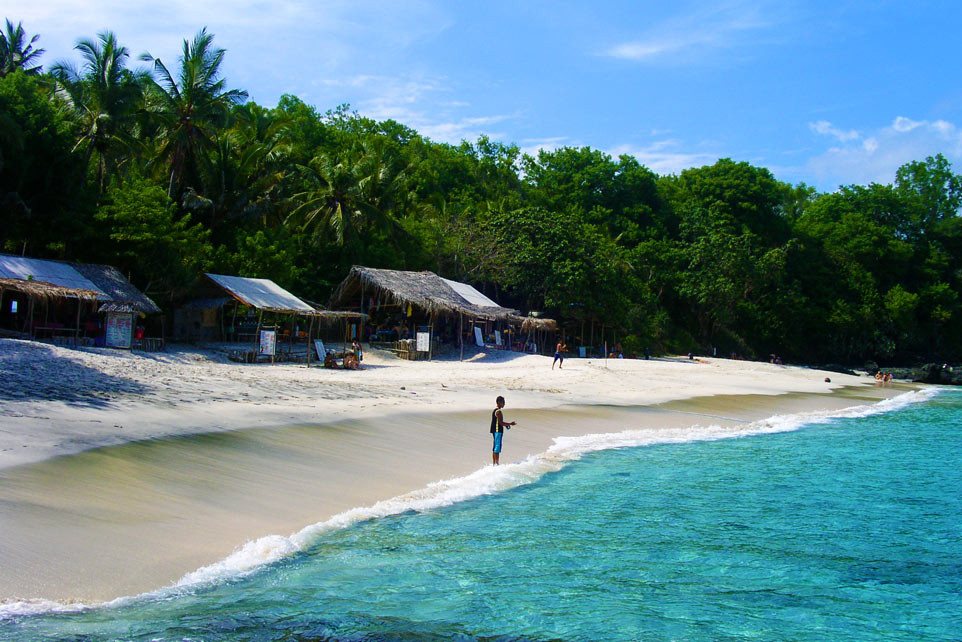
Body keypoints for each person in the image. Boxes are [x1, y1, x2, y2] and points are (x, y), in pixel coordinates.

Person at [490, 395, 516, 465]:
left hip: (495, 431)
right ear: (499, 402)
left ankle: (494, 464)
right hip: (498, 431)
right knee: (497, 448)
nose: (504, 404)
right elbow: (501, 423)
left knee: (495, 447)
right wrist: (510, 424)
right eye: (503, 402)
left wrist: (507, 425)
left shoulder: (495, 410)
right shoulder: (498, 411)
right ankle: (497, 464)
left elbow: (499, 423)